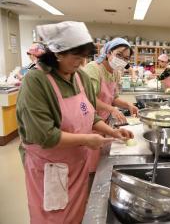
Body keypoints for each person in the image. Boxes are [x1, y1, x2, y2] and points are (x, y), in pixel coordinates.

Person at [16, 21, 133, 224]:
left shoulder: (79, 77)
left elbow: (91, 116)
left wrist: (113, 132)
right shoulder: (36, 81)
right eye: (76, 56)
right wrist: (87, 139)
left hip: (77, 163)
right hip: (49, 168)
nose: (81, 62)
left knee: (77, 212)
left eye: (84, 57)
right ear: (57, 53)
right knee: (53, 216)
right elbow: (45, 135)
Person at [84, 37, 138, 124]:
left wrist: (128, 105)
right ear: (109, 53)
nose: (122, 60)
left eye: (126, 58)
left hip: (104, 120)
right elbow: (89, 99)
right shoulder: (94, 69)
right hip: (89, 121)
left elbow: (113, 99)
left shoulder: (116, 72)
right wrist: (111, 109)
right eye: (119, 55)